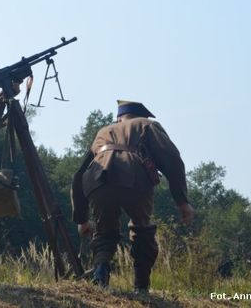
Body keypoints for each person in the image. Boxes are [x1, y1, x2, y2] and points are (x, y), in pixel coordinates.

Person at [71, 100, 194, 292]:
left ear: (119, 118)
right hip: (134, 176)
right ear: (140, 116)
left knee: (104, 232)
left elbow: (79, 174)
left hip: (98, 178)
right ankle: (141, 287)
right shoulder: (147, 125)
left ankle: (100, 273)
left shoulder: (103, 131)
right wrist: (182, 202)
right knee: (141, 229)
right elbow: (172, 160)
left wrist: (82, 219)